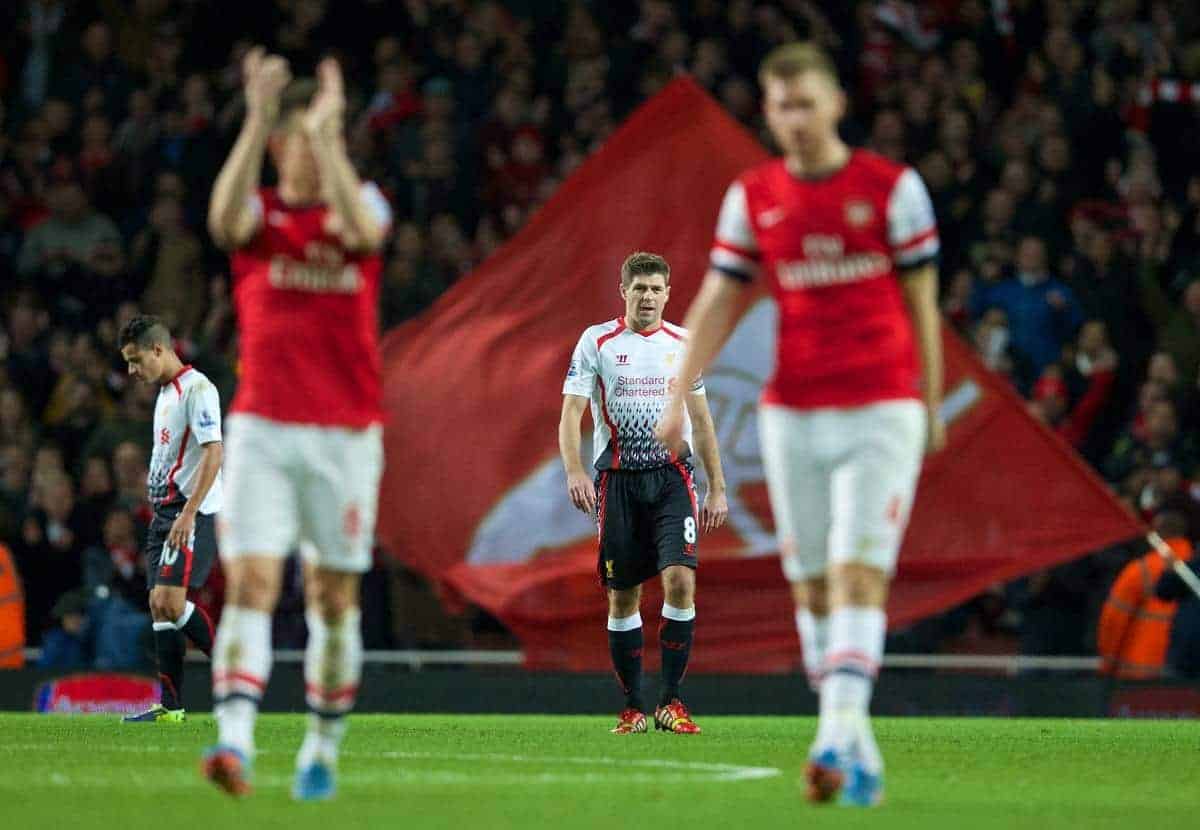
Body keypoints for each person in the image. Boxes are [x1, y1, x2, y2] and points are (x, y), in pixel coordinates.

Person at [657, 42, 944, 806]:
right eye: (781, 106)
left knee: (858, 574)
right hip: (794, 415)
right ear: (769, 112)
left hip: (881, 407)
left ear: (836, 104)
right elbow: (720, 300)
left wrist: (933, 398)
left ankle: (827, 740)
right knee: (813, 589)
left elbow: (924, 302)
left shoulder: (893, 190)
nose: (795, 119)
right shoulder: (753, 197)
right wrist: (677, 397)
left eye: (807, 103)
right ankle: (859, 747)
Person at [202, 49, 391, 800]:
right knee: (250, 580)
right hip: (264, 431)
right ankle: (235, 743)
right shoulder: (262, 219)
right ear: (280, 147)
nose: (308, 151)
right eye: (300, 139)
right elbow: (221, 220)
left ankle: (321, 745)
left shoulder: (362, 206)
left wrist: (333, 134)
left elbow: (366, 236)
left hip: (346, 434)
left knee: (333, 598)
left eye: (319, 139)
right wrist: (255, 118)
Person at [560, 251, 728, 736]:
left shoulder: (683, 343)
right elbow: (571, 414)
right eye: (640, 289)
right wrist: (574, 471)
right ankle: (634, 706)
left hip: (674, 477)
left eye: (656, 289)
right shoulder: (598, 341)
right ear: (624, 292)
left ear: (669, 294)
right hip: (618, 481)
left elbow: (701, 419)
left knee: (680, 580)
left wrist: (717, 488)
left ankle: (670, 701)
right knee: (623, 595)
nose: (648, 297)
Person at [118, 315, 221, 721]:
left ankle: (234, 669)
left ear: (158, 349)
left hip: (188, 514)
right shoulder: (164, 394)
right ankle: (171, 708)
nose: (131, 371)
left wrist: (189, 514)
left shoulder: (199, 389)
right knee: (158, 606)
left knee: (169, 601)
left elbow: (214, 451)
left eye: (135, 360)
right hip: (164, 514)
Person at [1098, 511, 1192, 679]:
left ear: (1156, 533)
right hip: (1187, 674)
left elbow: (1113, 620)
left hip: (1139, 673)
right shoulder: (1194, 567)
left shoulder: (1140, 570)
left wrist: (1108, 664)